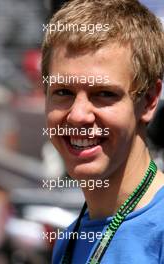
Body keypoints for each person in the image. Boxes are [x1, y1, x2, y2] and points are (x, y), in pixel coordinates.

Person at [42, 0, 164, 263]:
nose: (78, 115)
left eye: (104, 94)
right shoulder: (69, 242)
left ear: (150, 100)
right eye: (63, 92)